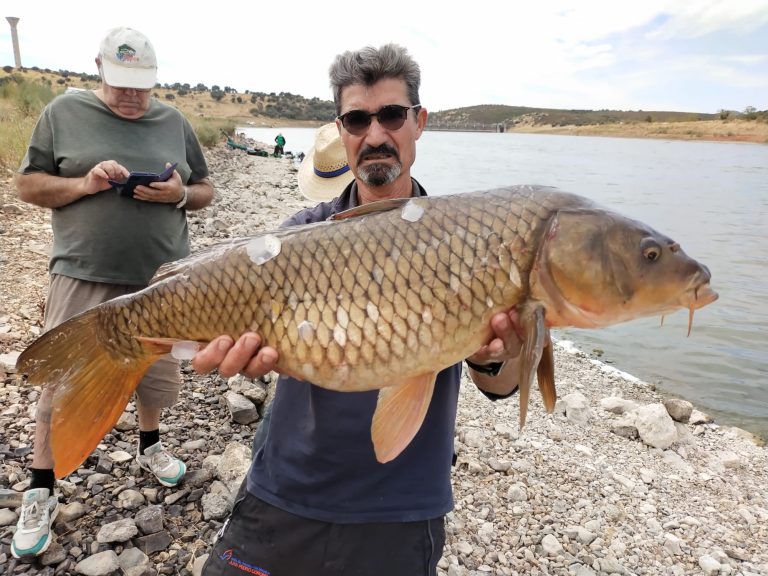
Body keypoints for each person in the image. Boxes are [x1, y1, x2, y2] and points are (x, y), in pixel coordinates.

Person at [193, 44, 522, 576]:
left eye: (392, 115)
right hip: (286, 490)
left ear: (419, 122)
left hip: (402, 507)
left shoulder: (471, 242)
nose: (374, 135)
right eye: (356, 119)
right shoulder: (302, 234)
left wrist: (490, 354)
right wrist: (225, 346)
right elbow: (231, 330)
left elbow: (501, 386)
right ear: (341, 130)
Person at [11, 27, 214, 560]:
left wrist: (178, 195)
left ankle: (149, 447)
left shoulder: (174, 121)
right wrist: (85, 184)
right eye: (122, 84)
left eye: (141, 86)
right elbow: (27, 185)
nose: (131, 96)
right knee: (62, 377)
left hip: (162, 278)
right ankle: (40, 487)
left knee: (153, 374)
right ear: (98, 67)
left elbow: (206, 192)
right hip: (83, 270)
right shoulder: (64, 112)